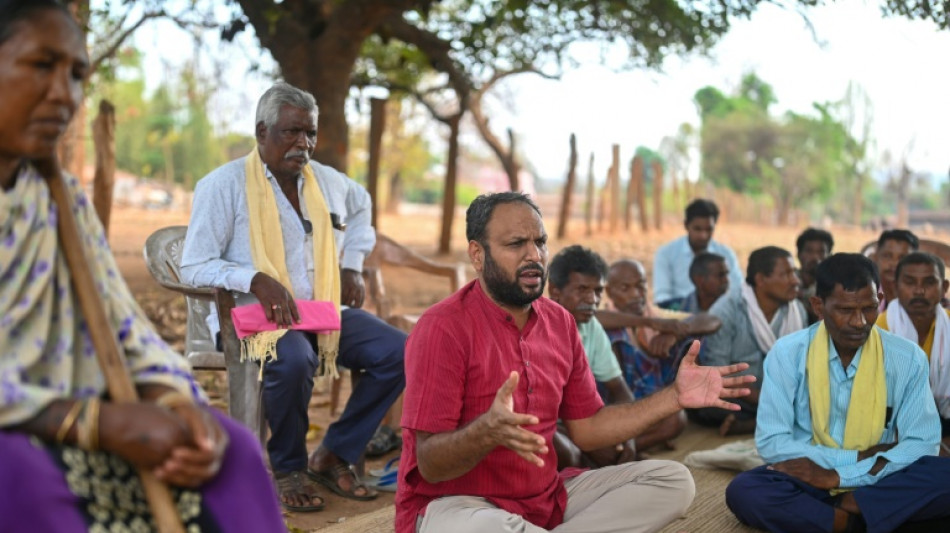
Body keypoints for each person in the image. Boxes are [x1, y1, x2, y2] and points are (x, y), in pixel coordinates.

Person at [0, 2, 285, 530]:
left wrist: (177, 404)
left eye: (77, 74)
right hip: (29, 433)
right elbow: (202, 264)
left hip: (89, 418)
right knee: (17, 479)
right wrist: (89, 422)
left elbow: (122, 329)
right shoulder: (221, 185)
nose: (65, 94)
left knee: (237, 455)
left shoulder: (59, 204)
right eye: (41, 65)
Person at [395, 192, 755, 533]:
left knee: (673, 481)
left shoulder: (560, 321)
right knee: (485, 527)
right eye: (516, 244)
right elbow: (429, 463)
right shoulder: (442, 327)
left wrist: (674, 396)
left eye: (540, 241)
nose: (534, 255)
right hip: (459, 504)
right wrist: (485, 432)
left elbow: (588, 429)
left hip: (546, 499)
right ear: (478, 254)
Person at [180, 82, 406, 511]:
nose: (303, 143)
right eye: (291, 132)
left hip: (320, 310)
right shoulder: (223, 185)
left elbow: (362, 207)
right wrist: (253, 278)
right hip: (252, 318)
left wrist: (352, 262)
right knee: (295, 357)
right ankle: (287, 469)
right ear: (262, 132)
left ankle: (334, 452)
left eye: (310, 133)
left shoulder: (327, 182)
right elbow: (193, 264)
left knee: (400, 351)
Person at [726, 253, 950, 533]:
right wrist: (852, 460)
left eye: (869, 308)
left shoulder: (907, 358)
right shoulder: (788, 353)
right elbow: (772, 442)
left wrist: (837, 477)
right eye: (845, 310)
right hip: (812, 477)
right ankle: (850, 520)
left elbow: (922, 444)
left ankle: (836, 515)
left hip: (880, 476)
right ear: (818, 306)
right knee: (745, 489)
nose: (859, 322)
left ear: (879, 298)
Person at [601, 258, 722, 453]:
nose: (635, 294)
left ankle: (620, 450)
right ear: (608, 292)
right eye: (625, 288)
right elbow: (592, 318)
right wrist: (649, 323)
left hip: (648, 404)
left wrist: (673, 334)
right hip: (615, 409)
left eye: (640, 286)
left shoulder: (653, 312)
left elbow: (711, 321)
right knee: (616, 336)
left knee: (676, 420)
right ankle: (611, 450)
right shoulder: (605, 320)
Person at [694, 246, 807, 436]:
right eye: (786, 274)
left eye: (794, 273)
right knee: (710, 401)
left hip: (779, 397)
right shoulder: (726, 311)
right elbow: (718, 373)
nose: (795, 281)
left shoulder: (796, 312)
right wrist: (766, 398)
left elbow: (800, 369)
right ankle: (770, 420)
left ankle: (751, 424)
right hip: (742, 398)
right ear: (761, 280)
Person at [546, 245, 638, 469]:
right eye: (582, 289)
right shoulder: (538, 327)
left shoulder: (591, 326)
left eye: (598, 291)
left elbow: (619, 389)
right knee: (568, 452)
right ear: (555, 291)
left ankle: (599, 457)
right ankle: (589, 458)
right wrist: (591, 439)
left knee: (671, 419)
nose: (592, 299)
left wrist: (627, 434)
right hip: (547, 424)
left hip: (584, 421)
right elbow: (538, 411)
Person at [875, 252, 950, 454]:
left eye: (929, 282)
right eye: (909, 282)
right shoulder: (878, 329)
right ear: (895, 287)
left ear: (944, 288)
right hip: (891, 425)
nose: (919, 290)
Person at [653, 199, 743, 306]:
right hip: (679, 313)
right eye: (697, 229)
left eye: (709, 229)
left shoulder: (726, 254)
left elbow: (738, 291)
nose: (703, 235)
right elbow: (662, 296)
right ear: (686, 225)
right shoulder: (666, 254)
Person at [659, 251, 730, 313]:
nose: (726, 280)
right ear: (699, 280)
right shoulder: (670, 310)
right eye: (720, 275)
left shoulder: (736, 311)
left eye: (727, 274)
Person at [873, 229, 919, 311]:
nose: (894, 263)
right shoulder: (863, 294)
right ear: (876, 256)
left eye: (902, 258)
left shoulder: (922, 296)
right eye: (887, 256)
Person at [795, 227, 834, 324]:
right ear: (799, 254)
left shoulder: (833, 287)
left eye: (821, 252)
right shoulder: (787, 282)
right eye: (809, 251)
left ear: (829, 256)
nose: (815, 257)